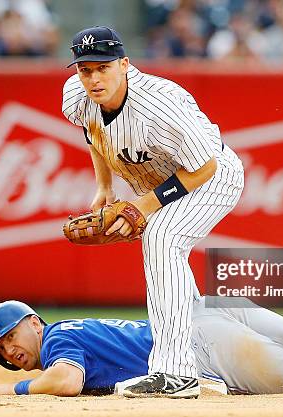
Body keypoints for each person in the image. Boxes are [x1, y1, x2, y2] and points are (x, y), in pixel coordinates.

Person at [60, 25, 245, 398]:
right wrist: (106, 187)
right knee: (166, 256)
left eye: (103, 67)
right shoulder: (76, 96)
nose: (94, 78)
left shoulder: (159, 105)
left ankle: (175, 373)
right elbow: (95, 134)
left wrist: (143, 206)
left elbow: (203, 168)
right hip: (160, 181)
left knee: (162, 237)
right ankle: (199, 365)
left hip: (213, 175)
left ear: (125, 64)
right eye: (85, 69)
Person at [0, 280, 283, 397]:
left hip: (198, 346)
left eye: (11, 336)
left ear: (34, 322)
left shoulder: (56, 343)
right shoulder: (71, 330)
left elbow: (67, 381)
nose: (10, 352)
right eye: (1, 353)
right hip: (204, 311)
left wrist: (13, 389)